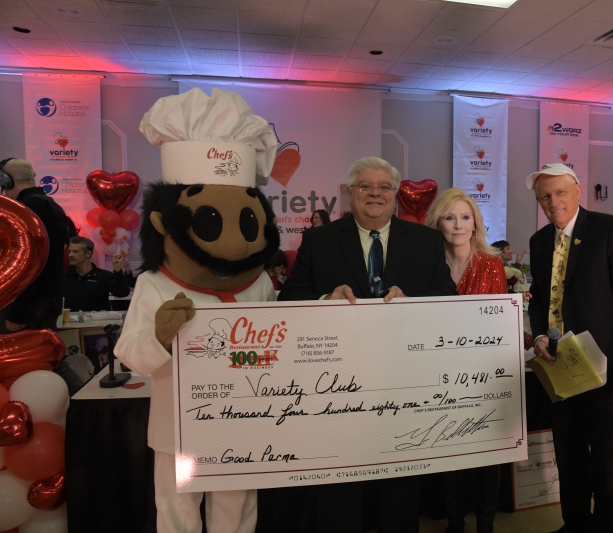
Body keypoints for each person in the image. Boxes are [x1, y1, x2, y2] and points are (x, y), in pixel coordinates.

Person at [115, 87, 281, 533]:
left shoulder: (259, 283)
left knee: (237, 509)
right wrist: (159, 337)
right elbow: (130, 355)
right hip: (179, 427)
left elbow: (283, 337)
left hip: (244, 417)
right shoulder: (154, 283)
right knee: (177, 513)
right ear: (163, 222)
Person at [279, 156, 457, 533]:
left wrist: (411, 301)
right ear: (350, 193)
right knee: (339, 484)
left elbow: (447, 297)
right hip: (335, 385)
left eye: (384, 187)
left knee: (400, 482)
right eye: (365, 186)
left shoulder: (426, 241)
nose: (375, 193)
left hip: (403, 378)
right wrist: (326, 299)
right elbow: (290, 298)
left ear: (395, 195)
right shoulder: (319, 240)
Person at [525, 163, 613, 533]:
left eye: (560, 193)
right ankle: (576, 525)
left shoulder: (610, 229)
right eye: (545, 197)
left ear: (578, 190)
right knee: (569, 456)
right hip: (560, 368)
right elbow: (540, 299)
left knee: (609, 462)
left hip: (608, 369)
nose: (553, 202)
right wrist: (540, 335)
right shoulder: (539, 241)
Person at [425, 188, 505, 533]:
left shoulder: (491, 264)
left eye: (465, 217)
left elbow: (498, 325)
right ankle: (455, 523)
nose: (458, 225)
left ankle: (485, 525)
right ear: (438, 223)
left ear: (475, 224)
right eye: (449, 217)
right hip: (440, 373)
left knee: (488, 452)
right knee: (447, 450)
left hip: (483, 373)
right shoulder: (427, 266)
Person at [2, 158, 68, 332]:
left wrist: (17, 312)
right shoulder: (53, 206)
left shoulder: (24, 210)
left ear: (7, 181)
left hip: (29, 303)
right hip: (51, 299)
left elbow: (29, 263)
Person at [63, 237, 130, 312]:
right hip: (70, 319)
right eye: (69, 252)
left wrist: (117, 270)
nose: (70, 255)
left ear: (88, 253)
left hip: (99, 319)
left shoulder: (103, 276)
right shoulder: (64, 277)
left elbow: (122, 293)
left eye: (75, 252)